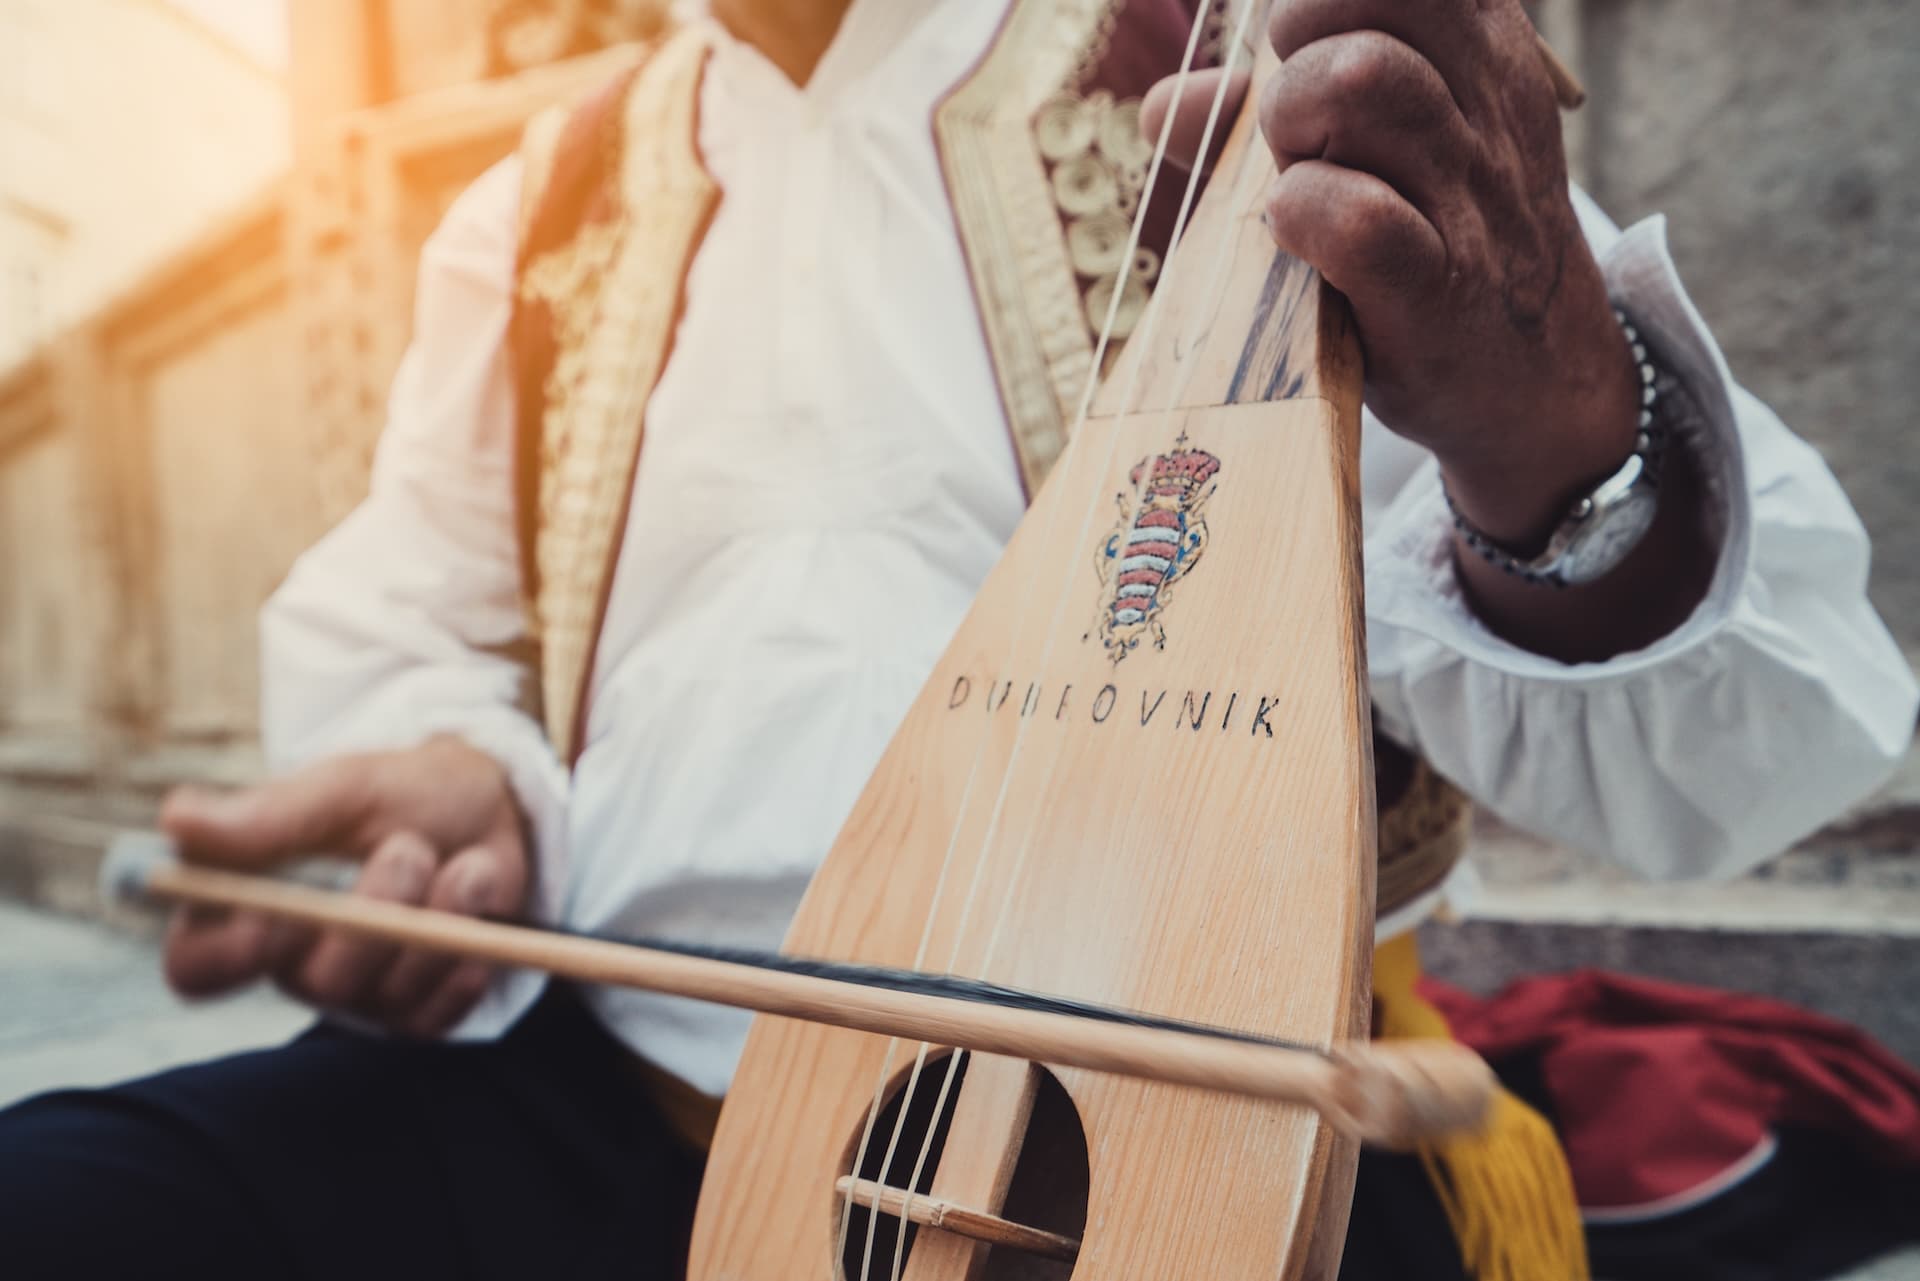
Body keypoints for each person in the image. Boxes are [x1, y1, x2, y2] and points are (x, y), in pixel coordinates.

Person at [2, 1, 1911, 1277]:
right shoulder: (543, 202)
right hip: (608, 1100)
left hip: (1188, 1168)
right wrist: (459, 765)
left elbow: (1765, 744)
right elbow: (420, 612)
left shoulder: (1246, 68)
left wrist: (1553, 432)